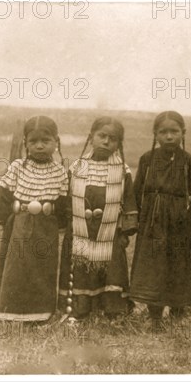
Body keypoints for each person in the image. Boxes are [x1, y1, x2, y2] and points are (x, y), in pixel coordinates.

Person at [129, 111, 191, 323]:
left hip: (179, 224)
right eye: (163, 132)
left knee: (179, 265)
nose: (168, 136)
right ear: (155, 134)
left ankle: (177, 312)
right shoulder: (147, 160)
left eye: (174, 131)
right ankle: (154, 313)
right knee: (152, 265)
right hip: (152, 223)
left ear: (183, 133)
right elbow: (136, 192)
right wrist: (131, 219)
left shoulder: (189, 162)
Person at [0, 116, 69, 322]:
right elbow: (4, 194)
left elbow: (62, 202)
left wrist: (63, 227)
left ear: (56, 142)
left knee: (44, 268)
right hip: (19, 226)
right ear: (25, 143)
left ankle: (40, 313)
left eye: (46, 140)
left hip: (46, 227)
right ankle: (11, 311)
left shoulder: (60, 172)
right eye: (33, 141)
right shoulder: (17, 167)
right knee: (16, 267)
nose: (39, 146)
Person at [59, 117, 138, 320]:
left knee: (112, 269)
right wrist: (69, 227)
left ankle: (114, 311)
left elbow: (129, 200)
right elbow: (67, 200)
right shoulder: (76, 168)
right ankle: (79, 311)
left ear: (118, 144)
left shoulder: (122, 171)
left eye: (113, 139)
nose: (106, 142)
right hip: (80, 231)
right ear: (91, 137)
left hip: (110, 231)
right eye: (101, 136)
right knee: (81, 268)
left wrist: (126, 230)